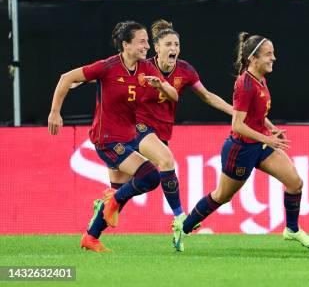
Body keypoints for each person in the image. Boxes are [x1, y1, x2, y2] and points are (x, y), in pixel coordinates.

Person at [82, 19, 235, 252]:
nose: (173, 48)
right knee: (166, 160)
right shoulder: (143, 65)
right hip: (139, 128)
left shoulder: (184, 70)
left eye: (177, 44)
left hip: (161, 131)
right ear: (157, 47)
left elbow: (207, 96)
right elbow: (111, 76)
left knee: (120, 192)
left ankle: (92, 234)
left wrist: (234, 113)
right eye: (168, 44)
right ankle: (179, 216)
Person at [175, 33, 309, 249]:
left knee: (295, 182)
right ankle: (183, 227)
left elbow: (257, 115)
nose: (274, 58)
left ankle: (292, 229)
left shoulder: (260, 78)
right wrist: (268, 139)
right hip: (240, 149)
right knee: (222, 196)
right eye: (268, 54)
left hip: (260, 145)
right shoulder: (245, 85)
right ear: (254, 58)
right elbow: (238, 125)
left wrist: (271, 129)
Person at [48, 21, 178, 252]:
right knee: (150, 177)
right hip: (106, 138)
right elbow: (66, 78)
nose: (147, 46)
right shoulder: (107, 67)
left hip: (127, 138)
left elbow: (174, 95)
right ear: (126, 45)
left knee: (120, 194)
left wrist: (160, 86)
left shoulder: (146, 69)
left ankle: (91, 237)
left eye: (147, 41)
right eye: (142, 41)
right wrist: (55, 112)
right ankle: (112, 201)